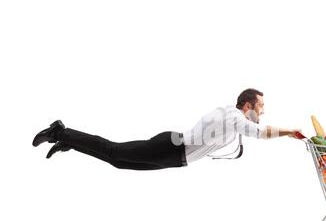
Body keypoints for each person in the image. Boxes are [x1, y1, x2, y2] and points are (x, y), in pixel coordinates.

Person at [32, 89, 303, 170]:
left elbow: (249, 131)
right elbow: (260, 132)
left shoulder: (232, 117)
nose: (263, 110)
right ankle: (60, 132)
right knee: (114, 150)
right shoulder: (233, 117)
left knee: (118, 162)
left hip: (173, 153)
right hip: (171, 148)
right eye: (261, 106)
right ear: (247, 105)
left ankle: (72, 142)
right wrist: (289, 132)